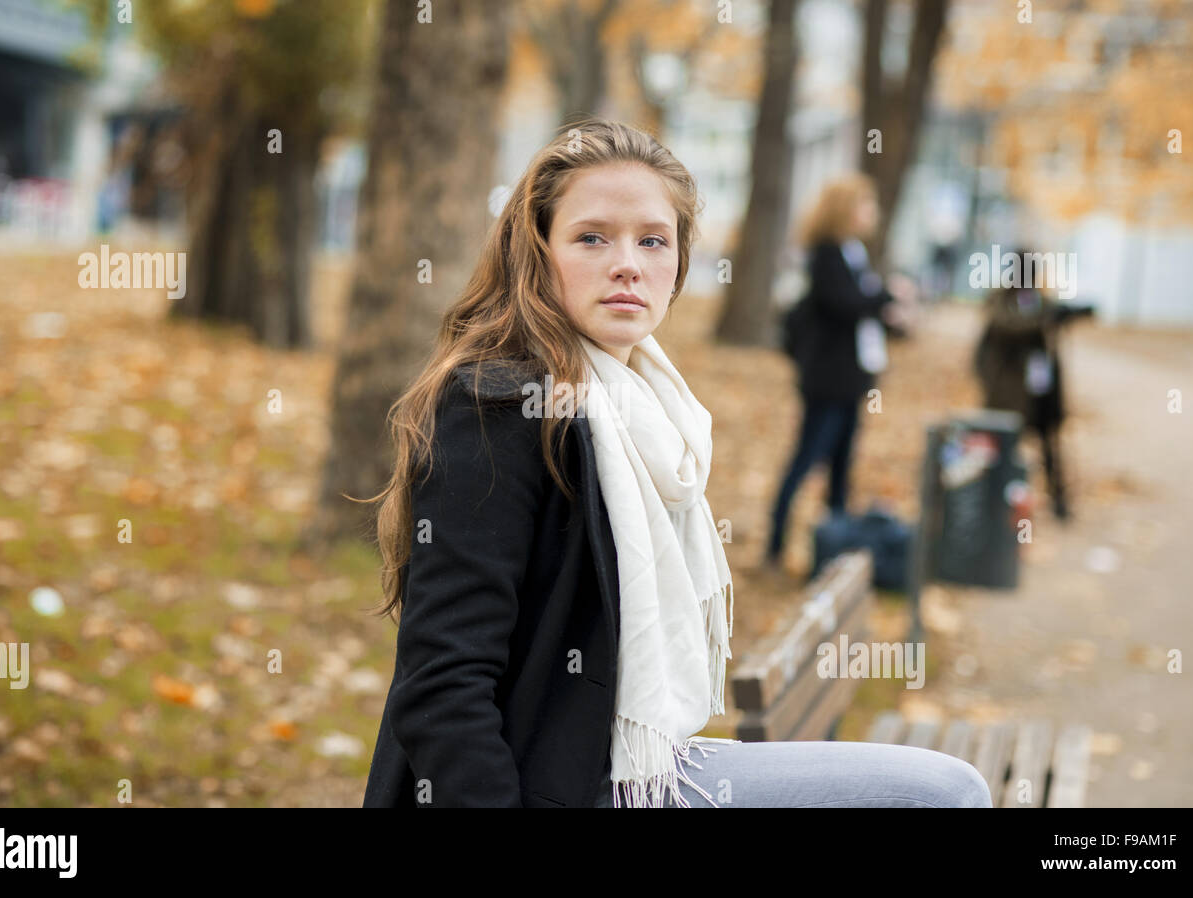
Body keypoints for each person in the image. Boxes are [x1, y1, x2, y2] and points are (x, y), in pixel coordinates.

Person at [360, 120, 989, 808]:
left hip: (642, 767)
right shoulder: (498, 407)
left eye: (653, 240)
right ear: (536, 255)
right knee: (943, 796)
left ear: (679, 265)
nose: (627, 262)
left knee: (950, 790)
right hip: (557, 788)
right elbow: (442, 687)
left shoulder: (651, 410)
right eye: (592, 237)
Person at [764, 173, 918, 573]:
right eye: (865, 205)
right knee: (807, 457)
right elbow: (844, 305)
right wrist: (888, 296)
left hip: (850, 379)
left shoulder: (853, 252)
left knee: (841, 464)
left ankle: (832, 547)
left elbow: (861, 311)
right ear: (845, 209)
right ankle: (775, 544)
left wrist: (891, 315)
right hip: (827, 379)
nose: (872, 213)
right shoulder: (826, 254)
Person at [973, 255, 1094, 520]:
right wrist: (1047, 318)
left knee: (1049, 442)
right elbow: (1009, 325)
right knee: (1004, 446)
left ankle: (1058, 499)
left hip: (1041, 387)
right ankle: (995, 500)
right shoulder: (1002, 298)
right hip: (1011, 390)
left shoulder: (1037, 297)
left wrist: (1068, 314)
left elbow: (1048, 316)